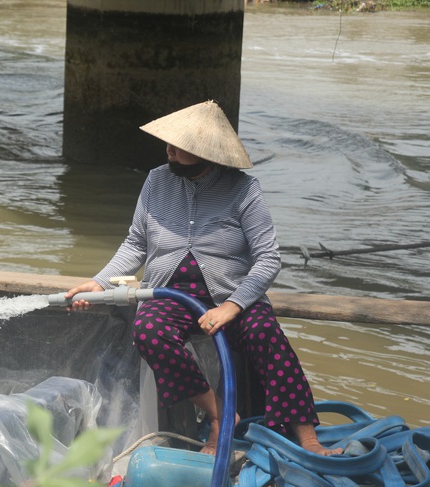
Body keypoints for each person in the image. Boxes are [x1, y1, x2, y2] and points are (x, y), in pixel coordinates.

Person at [65, 100, 342, 457]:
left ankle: (308, 439)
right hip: (170, 294)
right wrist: (99, 282)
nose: (170, 151)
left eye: (180, 147)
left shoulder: (244, 190)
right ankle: (219, 417)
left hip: (233, 295)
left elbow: (269, 258)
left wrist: (232, 305)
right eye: (169, 143)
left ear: (205, 153)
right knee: (148, 331)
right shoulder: (156, 181)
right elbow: (136, 243)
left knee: (266, 334)